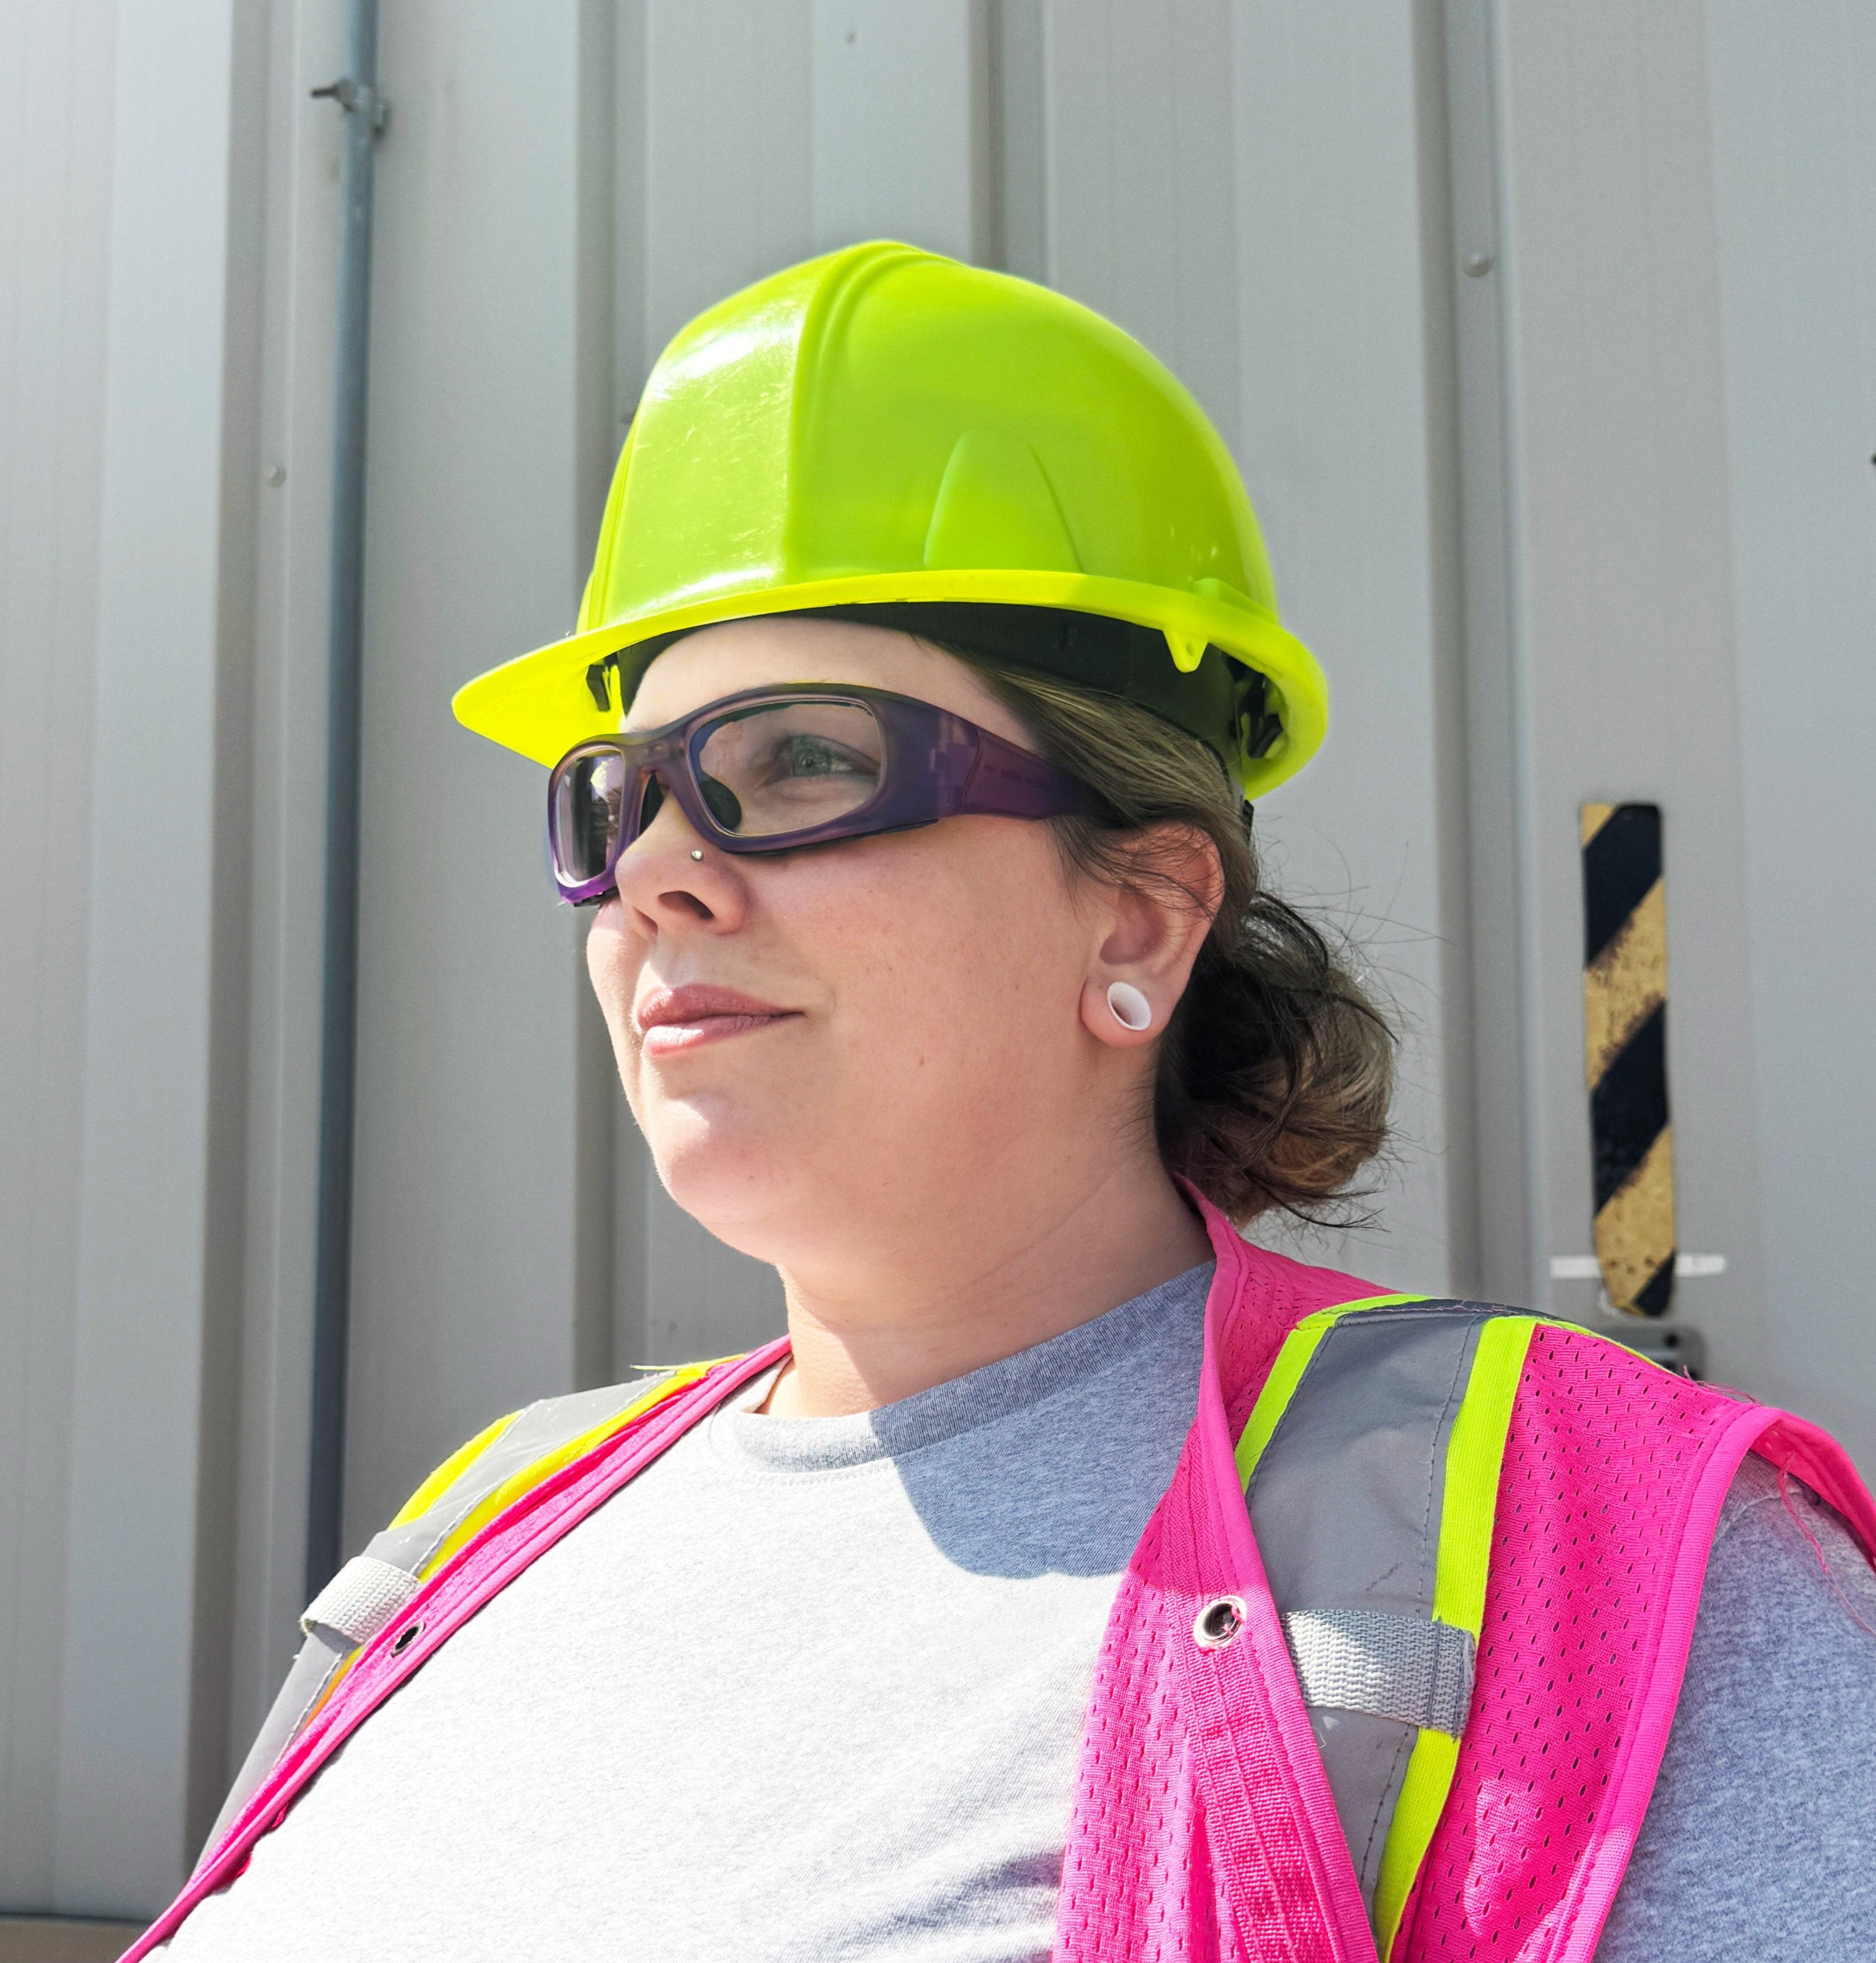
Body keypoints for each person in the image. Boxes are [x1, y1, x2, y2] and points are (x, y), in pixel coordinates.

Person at [130, 244, 1876, 1963]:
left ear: (1137, 913)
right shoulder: (488, 1523)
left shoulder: (1604, 1556)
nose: (657, 871)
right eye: (620, 797)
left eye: (800, 761)